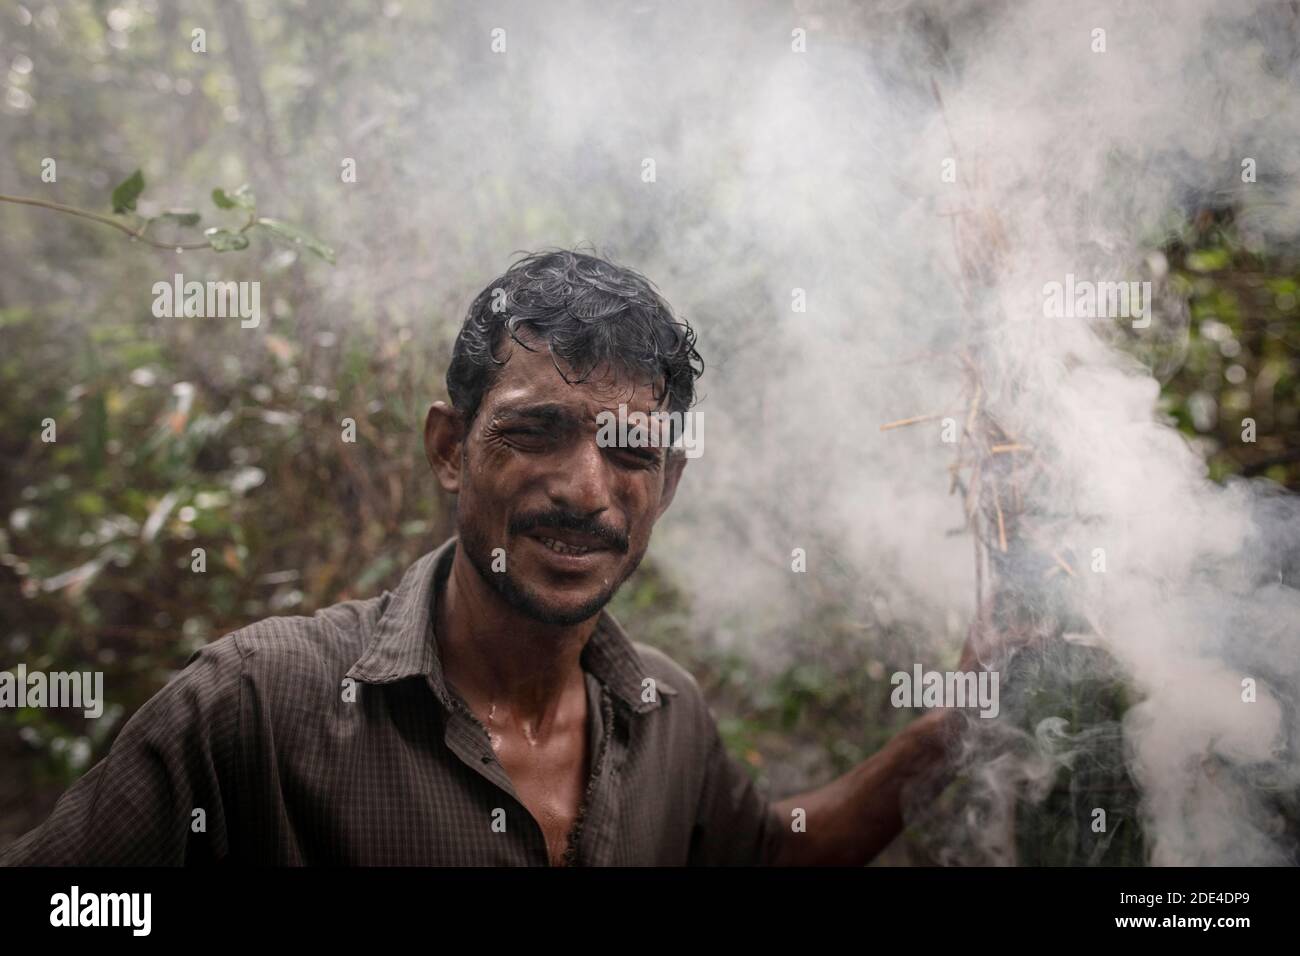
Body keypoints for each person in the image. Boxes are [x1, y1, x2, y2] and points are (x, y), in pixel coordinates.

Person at [2, 250, 961, 866]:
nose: (586, 488)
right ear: (451, 448)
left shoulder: (664, 716)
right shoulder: (257, 702)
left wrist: (949, 730)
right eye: (537, 430)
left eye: (630, 449)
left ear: (666, 485)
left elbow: (767, 858)